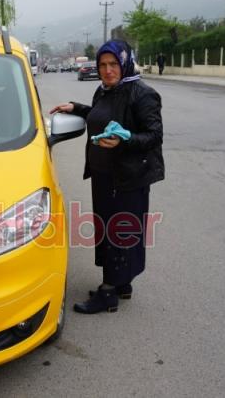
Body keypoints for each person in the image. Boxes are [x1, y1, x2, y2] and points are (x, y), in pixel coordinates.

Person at [50, 39, 164, 314]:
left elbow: (154, 135)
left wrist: (124, 141)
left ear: (125, 63)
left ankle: (109, 292)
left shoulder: (142, 94)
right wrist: (76, 108)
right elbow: (99, 117)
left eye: (113, 64)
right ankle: (122, 283)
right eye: (103, 65)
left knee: (120, 232)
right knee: (110, 230)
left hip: (127, 178)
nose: (108, 70)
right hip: (105, 175)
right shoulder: (104, 92)